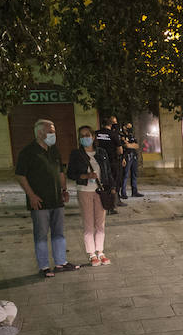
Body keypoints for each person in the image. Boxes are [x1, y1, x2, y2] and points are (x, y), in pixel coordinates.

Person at [15, 119, 79, 277]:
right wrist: (31, 196)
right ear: (39, 133)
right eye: (50, 132)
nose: (53, 134)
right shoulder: (28, 152)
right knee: (41, 234)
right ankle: (44, 266)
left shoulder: (53, 150)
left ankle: (61, 262)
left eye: (54, 131)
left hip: (57, 199)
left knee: (58, 232)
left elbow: (60, 172)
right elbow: (20, 175)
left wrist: (64, 190)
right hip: (40, 201)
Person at [68, 125, 114, 267]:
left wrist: (111, 187)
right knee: (89, 224)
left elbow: (108, 171)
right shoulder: (76, 154)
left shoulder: (101, 152)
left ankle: (100, 251)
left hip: (100, 192)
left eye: (87, 135)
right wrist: (85, 176)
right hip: (85, 191)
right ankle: (91, 253)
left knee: (100, 223)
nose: (85, 138)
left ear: (93, 137)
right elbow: (71, 173)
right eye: (82, 136)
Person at [93, 115, 123, 208]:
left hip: (97, 162)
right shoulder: (113, 134)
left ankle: (99, 201)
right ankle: (112, 203)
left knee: (99, 182)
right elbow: (120, 150)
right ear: (111, 124)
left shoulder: (96, 133)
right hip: (111, 161)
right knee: (113, 182)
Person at [120, 121, 143, 198]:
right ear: (124, 127)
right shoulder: (121, 135)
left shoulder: (131, 135)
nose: (130, 128)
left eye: (130, 127)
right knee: (125, 174)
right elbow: (125, 146)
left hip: (134, 155)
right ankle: (123, 192)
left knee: (134, 174)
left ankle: (134, 191)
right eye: (128, 127)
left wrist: (130, 145)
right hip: (126, 156)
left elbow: (137, 146)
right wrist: (130, 145)